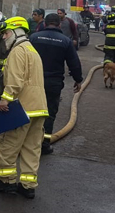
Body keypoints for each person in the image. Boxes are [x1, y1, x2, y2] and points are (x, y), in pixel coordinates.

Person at [0, 16, 48, 199]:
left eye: (6, 33)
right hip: (39, 108)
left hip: (21, 108)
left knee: (8, 145)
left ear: (15, 32)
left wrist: (5, 99)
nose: (4, 37)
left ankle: (6, 182)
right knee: (32, 148)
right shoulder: (32, 50)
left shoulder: (17, 51)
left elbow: (15, 80)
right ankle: (28, 186)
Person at [30, 13, 83, 155]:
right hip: (53, 83)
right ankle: (44, 144)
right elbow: (74, 63)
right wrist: (78, 80)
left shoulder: (33, 38)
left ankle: (26, 142)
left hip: (33, 81)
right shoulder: (65, 41)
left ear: (45, 24)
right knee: (49, 113)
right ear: (59, 24)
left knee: (29, 111)